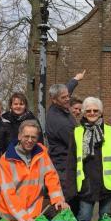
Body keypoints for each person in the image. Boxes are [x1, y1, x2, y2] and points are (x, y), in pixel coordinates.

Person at [66, 97, 111, 221]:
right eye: (88, 110)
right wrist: (71, 186)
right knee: (83, 219)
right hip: (86, 185)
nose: (92, 113)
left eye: (95, 110)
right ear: (83, 112)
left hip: (106, 184)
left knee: (105, 220)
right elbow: (72, 162)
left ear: (101, 112)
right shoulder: (77, 132)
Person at [0, 120, 69, 221]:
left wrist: (58, 199)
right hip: (11, 215)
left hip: (34, 211)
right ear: (19, 136)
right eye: (26, 136)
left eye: (33, 137)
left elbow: (51, 177)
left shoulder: (42, 154)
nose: (30, 140)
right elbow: (8, 194)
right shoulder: (6, 160)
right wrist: (24, 218)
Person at [45, 70, 86, 210]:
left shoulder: (61, 103)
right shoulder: (58, 121)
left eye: (68, 96)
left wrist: (76, 79)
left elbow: (67, 89)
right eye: (64, 98)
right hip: (63, 167)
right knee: (69, 202)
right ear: (54, 100)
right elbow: (76, 143)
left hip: (68, 163)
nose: (68, 99)